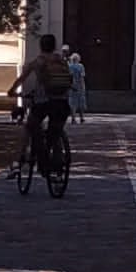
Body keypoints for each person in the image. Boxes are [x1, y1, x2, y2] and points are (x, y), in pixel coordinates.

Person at [7, 33, 72, 175]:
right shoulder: (61, 61)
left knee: (30, 127)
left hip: (44, 102)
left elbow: (21, 79)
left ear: (41, 46)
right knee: (55, 132)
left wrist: (12, 91)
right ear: (54, 46)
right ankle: (58, 162)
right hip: (62, 102)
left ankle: (19, 160)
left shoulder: (38, 61)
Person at [68, 51, 87, 123]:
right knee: (81, 102)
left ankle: (73, 118)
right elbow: (82, 77)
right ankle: (81, 117)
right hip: (79, 86)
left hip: (72, 86)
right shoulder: (80, 66)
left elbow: (69, 77)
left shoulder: (69, 66)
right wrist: (83, 86)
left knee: (73, 103)